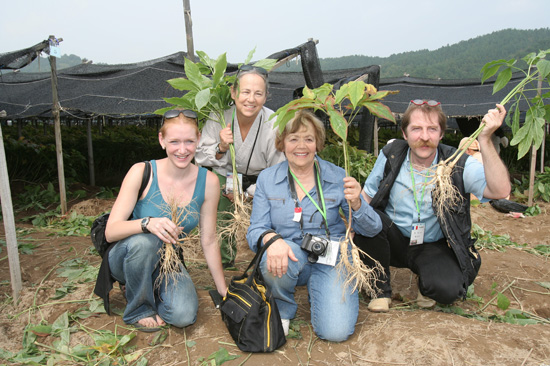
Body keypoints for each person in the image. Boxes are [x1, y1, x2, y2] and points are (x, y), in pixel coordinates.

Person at [354, 99, 511, 312]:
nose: (425, 137)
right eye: (416, 129)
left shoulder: (456, 163)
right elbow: (367, 197)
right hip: (391, 239)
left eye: (432, 129)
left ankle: (426, 283)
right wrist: (352, 236)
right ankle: (379, 290)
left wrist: (485, 140)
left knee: (447, 290)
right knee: (368, 220)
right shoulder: (391, 154)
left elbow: (500, 190)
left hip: (430, 245)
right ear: (404, 133)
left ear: (441, 133)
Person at [246, 110, 382, 342]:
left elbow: (373, 229)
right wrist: (272, 240)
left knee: (336, 333)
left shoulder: (337, 176)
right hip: (290, 255)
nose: (301, 146)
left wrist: (358, 203)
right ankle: (283, 309)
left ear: (318, 143)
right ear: (282, 143)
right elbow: (255, 230)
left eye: (308, 139)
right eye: (293, 138)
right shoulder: (268, 179)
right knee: (274, 257)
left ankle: (320, 289)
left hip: (332, 257)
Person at [95, 109, 227, 332]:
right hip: (127, 255)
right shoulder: (142, 172)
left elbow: (209, 239)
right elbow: (111, 231)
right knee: (146, 241)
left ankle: (148, 287)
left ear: (199, 140)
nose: (182, 150)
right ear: (161, 140)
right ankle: (138, 307)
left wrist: (224, 291)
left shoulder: (209, 182)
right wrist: (147, 223)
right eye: (174, 141)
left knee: (183, 315)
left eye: (189, 141)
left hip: (167, 260)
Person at [196, 65, 285, 268]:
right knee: (212, 185)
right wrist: (221, 147)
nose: (251, 99)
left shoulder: (275, 123)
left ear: (266, 96)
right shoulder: (218, 116)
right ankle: (223, 260)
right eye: (245, 92)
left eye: (258, 93)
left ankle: (268, 257)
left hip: (262, 179)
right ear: (234, 93)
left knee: (276, 208)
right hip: (227, 175)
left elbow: (277, 170)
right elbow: (201, 157)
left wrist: (250, 193)